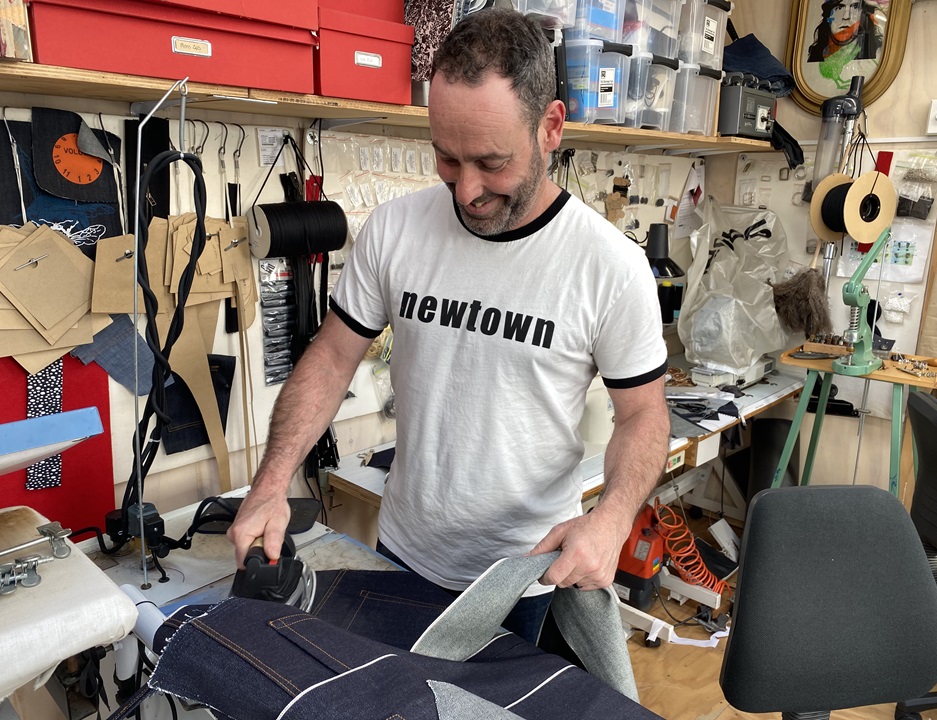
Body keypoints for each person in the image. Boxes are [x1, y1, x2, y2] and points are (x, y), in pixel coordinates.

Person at [228, 8, 670, 644]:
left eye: (491, 163)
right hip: (404, 554)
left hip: (526, 577)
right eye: (446, 159)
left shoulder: (610, 267)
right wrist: (270, 486)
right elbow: (331, 356)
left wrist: (613, 518)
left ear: (550, 127)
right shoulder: (397, 229)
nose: (466, 191)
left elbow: (643, 416)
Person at [807, 0, 883, 63]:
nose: (846, 16)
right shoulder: (815, 53)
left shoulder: (878, 52)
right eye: (839, 8)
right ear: (828, 15)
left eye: (855, 7)